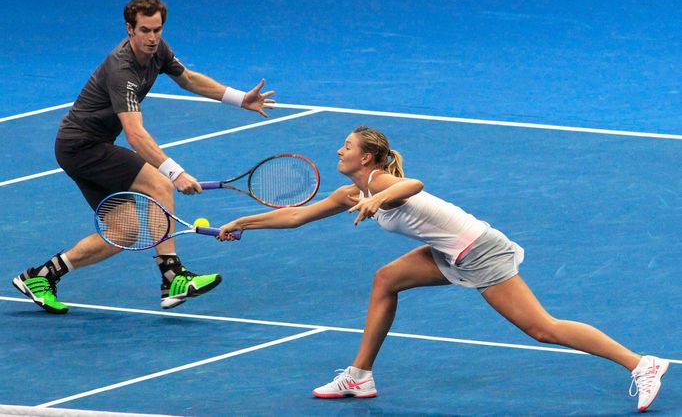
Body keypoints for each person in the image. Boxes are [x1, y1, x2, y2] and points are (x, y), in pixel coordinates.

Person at [216, 126, 669, 412]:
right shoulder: (347, 192)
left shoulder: (380, 182)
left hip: (479, 250)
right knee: (386, 279)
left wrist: (379, 198)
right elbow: (295, 217)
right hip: (449, 250)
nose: (340, 150)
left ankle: (640, 363)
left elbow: (416, 183)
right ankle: (360, 376)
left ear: (367, 159)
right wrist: (243, 222)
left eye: (348, 147)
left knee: (543, 329)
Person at [12, 0, 275, 314]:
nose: (152, 38)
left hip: (88, 146)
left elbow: (188, 79)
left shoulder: (158, 50)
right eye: (145, 31)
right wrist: (175, 173)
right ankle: (172, 276)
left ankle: (41, 276)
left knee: (124, 232)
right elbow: (135, 135)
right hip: (82, 146)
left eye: (157, 30)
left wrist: (239, 98)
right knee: (159, 184)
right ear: (129, 29)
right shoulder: (121, 69)